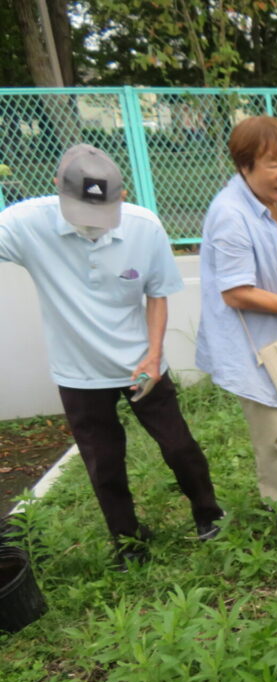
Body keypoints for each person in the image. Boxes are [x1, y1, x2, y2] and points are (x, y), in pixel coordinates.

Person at [0, 144, 224, 567]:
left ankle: (208, 513)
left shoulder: (145, 227)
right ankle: (128, 542)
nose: (93, 226)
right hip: (78, 372)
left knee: (178, 445)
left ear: (121, 196)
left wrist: (155, 355)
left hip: (140, 363)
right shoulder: (24, 224)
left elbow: (157, 293)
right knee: (104, 465)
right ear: (58, 191)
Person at [196, 117, 277, 532]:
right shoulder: (230, 215)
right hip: (259, 340)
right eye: (273, 164)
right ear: (244, 166)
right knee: (274, 428)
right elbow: (236, 292)